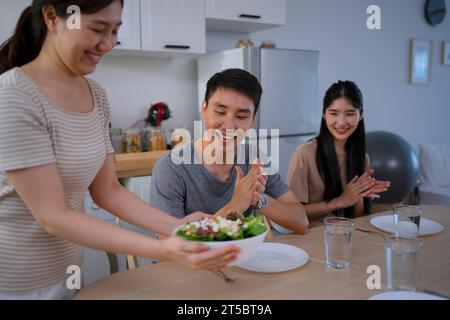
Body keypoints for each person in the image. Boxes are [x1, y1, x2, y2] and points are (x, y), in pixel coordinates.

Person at [0, 0, 239, 299]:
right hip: (16, 284)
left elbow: (108, 190)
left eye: (115, 30)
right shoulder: (14, 95)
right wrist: (164, 248)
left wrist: (177, 226)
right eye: (98, 29)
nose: (108, 43)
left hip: (69, 274)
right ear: (52, 17)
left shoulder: (95, 96)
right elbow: (53, 216)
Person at [150, 69, 309, 234]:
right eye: (220, 112)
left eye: (241, 116)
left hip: (237, 258)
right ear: (204, 109)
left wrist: (257, 199)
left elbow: (301, 222)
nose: (229, 126)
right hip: (185, 260)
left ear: (252, 120)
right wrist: (237, 204)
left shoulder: (253, 159)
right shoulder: (171, 168)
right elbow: (169, 244)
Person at [286, 80, 391, 226]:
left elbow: (358, 218)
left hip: (348, 236)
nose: (341, 122)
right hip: (311, 238)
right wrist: (339, 202)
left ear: (360, 115)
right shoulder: (304, 154)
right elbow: (291, 213)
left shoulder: (362, 158)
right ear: (324, 114)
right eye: (334, 113)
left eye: (349, 114)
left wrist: (359, 195)